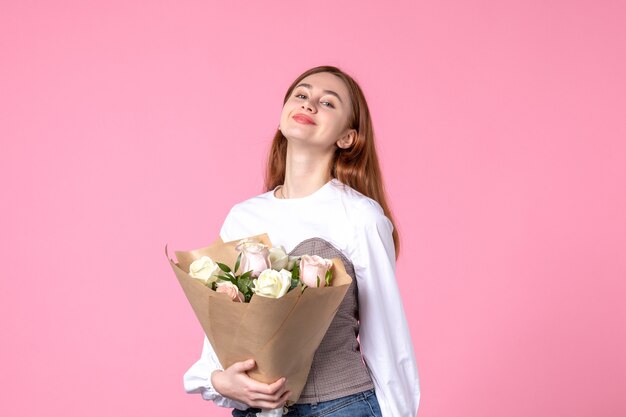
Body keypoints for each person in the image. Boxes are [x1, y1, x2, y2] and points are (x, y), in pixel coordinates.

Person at [183, 65, 420, 417]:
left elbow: (387, 339)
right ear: (282, 117)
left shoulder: (360, 216)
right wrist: (220, 381)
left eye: (328, 103)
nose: (309, 105)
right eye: (302, 95)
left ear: (347, 137)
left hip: (343, 407)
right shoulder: (243, 217)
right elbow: (221, 333)